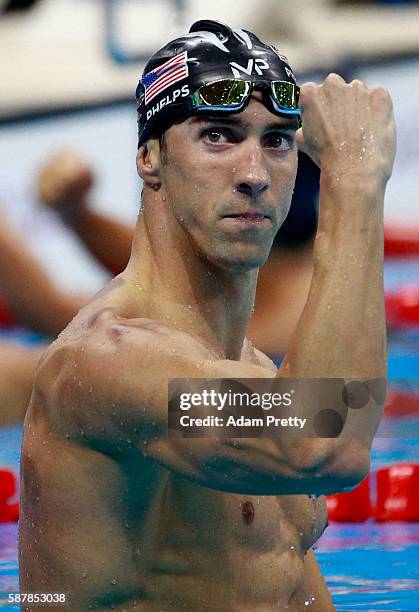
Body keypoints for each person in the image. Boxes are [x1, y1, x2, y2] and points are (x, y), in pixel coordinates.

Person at [20, 19, 396, 611]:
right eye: (219, 136)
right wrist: (354, 180)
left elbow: (289, 589)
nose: (254, 175)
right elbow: (325, 447)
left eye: (277, 141)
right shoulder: (107, 363)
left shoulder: (250, 372)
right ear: (149, 159)